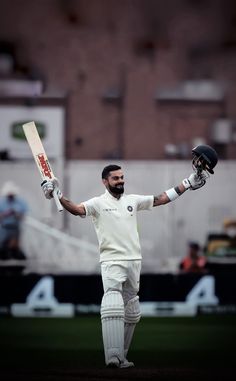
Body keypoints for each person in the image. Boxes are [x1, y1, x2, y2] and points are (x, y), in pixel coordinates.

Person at [0, 181, 28, 260]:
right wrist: (7, 213)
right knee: (3, 246)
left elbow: (23, 216)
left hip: (15, 227)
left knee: (14, 247)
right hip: (4, 228)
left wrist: (16, 214)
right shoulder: (1, 202)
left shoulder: (20, 202)